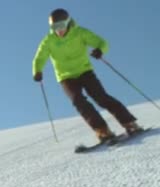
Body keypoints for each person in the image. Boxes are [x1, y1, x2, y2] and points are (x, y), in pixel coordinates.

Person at [32, 8, 143, 143]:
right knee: (78, 101)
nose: (58, 30)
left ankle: (130, 124)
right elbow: (39, 58)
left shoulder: (80, 33)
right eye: (54, 27)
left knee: (101, 97)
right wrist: (37, 71)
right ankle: (103, 131)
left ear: (67, 23)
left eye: (61, 25)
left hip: (85, 72)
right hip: (65, 77)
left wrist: (100, 50)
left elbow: (102, 42)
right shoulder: (48, 41)